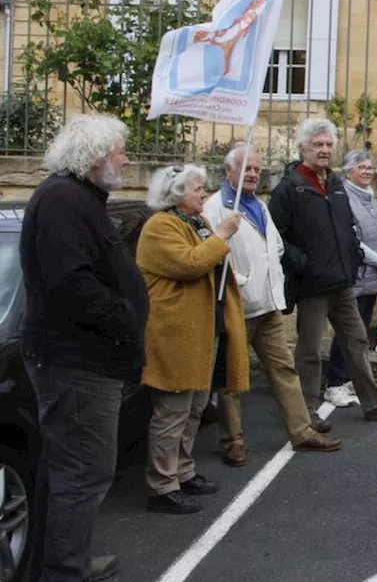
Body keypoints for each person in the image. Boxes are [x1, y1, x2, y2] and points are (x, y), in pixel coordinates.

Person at [19, 115, 143, 582]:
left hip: (83, 360)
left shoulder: (77, 197)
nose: (127, 159)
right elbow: (72, 283)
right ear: (94, 156)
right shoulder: (62, 201)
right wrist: (124, 321)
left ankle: (61, 563)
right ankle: (65, 571)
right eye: (119, 151)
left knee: (68, 470)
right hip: (75, 362)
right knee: (85, 472)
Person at [269, 118, 377, 427]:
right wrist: (304, 265)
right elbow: (276, 238)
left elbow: (347, 228)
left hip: (342, 282)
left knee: (357, 340)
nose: (324, 150)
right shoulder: (289, 188)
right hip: (311, 286)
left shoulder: (334, 185)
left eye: (328, 145)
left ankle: (375, 403)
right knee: (308, 352)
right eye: (318, 144)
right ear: (303, 148)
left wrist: (350, 260)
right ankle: (304, 415)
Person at [203, 145, 341, 462]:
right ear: (229, 172)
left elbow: (275, 248)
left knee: (284, 369)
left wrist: (274, 286)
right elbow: (210, 253)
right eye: (246, 169)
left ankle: (302, 432)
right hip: (237, 307)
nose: (253, 174)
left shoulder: (259, 206)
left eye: (256, 169)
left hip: (267, 306)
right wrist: (241, 279)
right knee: (231, 379)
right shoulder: (216, 209)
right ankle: (232, 442)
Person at [136, 165, 248, 515]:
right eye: (198, 189)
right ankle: (162, 485)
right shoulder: (159, 226)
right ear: (176, 194)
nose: (204, 194)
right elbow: (190, 264)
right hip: (175, 334)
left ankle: (183, 472)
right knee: (172, 411)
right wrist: (223, 236)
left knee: (195, 408)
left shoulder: (196, 222)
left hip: (202, 330)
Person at [326, 150, 377, 409]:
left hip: (373, 276)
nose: (368, 172)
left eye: (370, 167)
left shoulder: (370, 197)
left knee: (360, 332)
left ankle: (350, 379)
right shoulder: (345, 198)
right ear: (348, 171)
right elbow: (352, 239)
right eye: (361, 167)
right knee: (348, 333)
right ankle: (336, 383)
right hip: (358, 275)